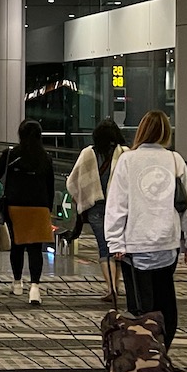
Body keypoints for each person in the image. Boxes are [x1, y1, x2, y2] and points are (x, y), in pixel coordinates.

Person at [104, 109, 187, 350]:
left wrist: (115, 242)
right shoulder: (174, 160)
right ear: (165, 133)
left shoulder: (128, 160)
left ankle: (145, 355)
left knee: (140, 307)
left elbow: (117, 202)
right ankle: (162, 349)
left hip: (135, 246)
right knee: (165, 301)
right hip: (167, 245)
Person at [0, 119, 57, 307]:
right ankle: (34, 287)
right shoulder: (45, 158)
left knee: (17, 244)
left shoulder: (11, 154)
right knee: (36, 248)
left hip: (15, 206)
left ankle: (17, 282)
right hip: (39, 207)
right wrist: (48, 209)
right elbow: (50, 187)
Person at [65, 118, 128, 303]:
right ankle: (115, 287)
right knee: (117, 247)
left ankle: (111, 288)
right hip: (119, 208)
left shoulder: (88, 153)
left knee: (104, 247)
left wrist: (81, 200)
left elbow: (72, 181)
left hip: (95, 207)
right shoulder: (125, 153)